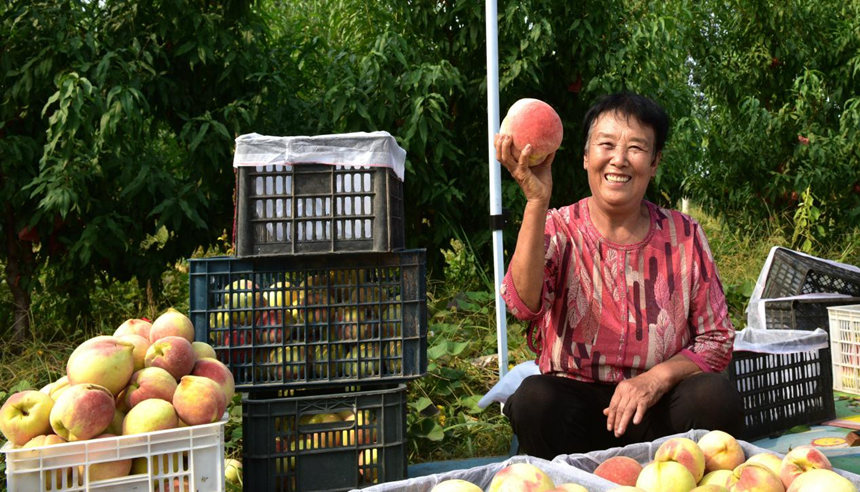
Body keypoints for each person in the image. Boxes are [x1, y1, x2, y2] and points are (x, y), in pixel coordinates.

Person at [494, 91, 744, 460]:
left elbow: (717, 339)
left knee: (714, 396)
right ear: (585, 156)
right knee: (534, 400)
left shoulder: (684, 234)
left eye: (637, 148)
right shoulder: (559, 228)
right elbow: (523, 305)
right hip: (578, 411)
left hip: (657, 411)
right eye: (606, 144)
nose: (619, 159)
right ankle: (574, 483)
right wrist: (536, 201)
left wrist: (654, 379)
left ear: (655, 162)